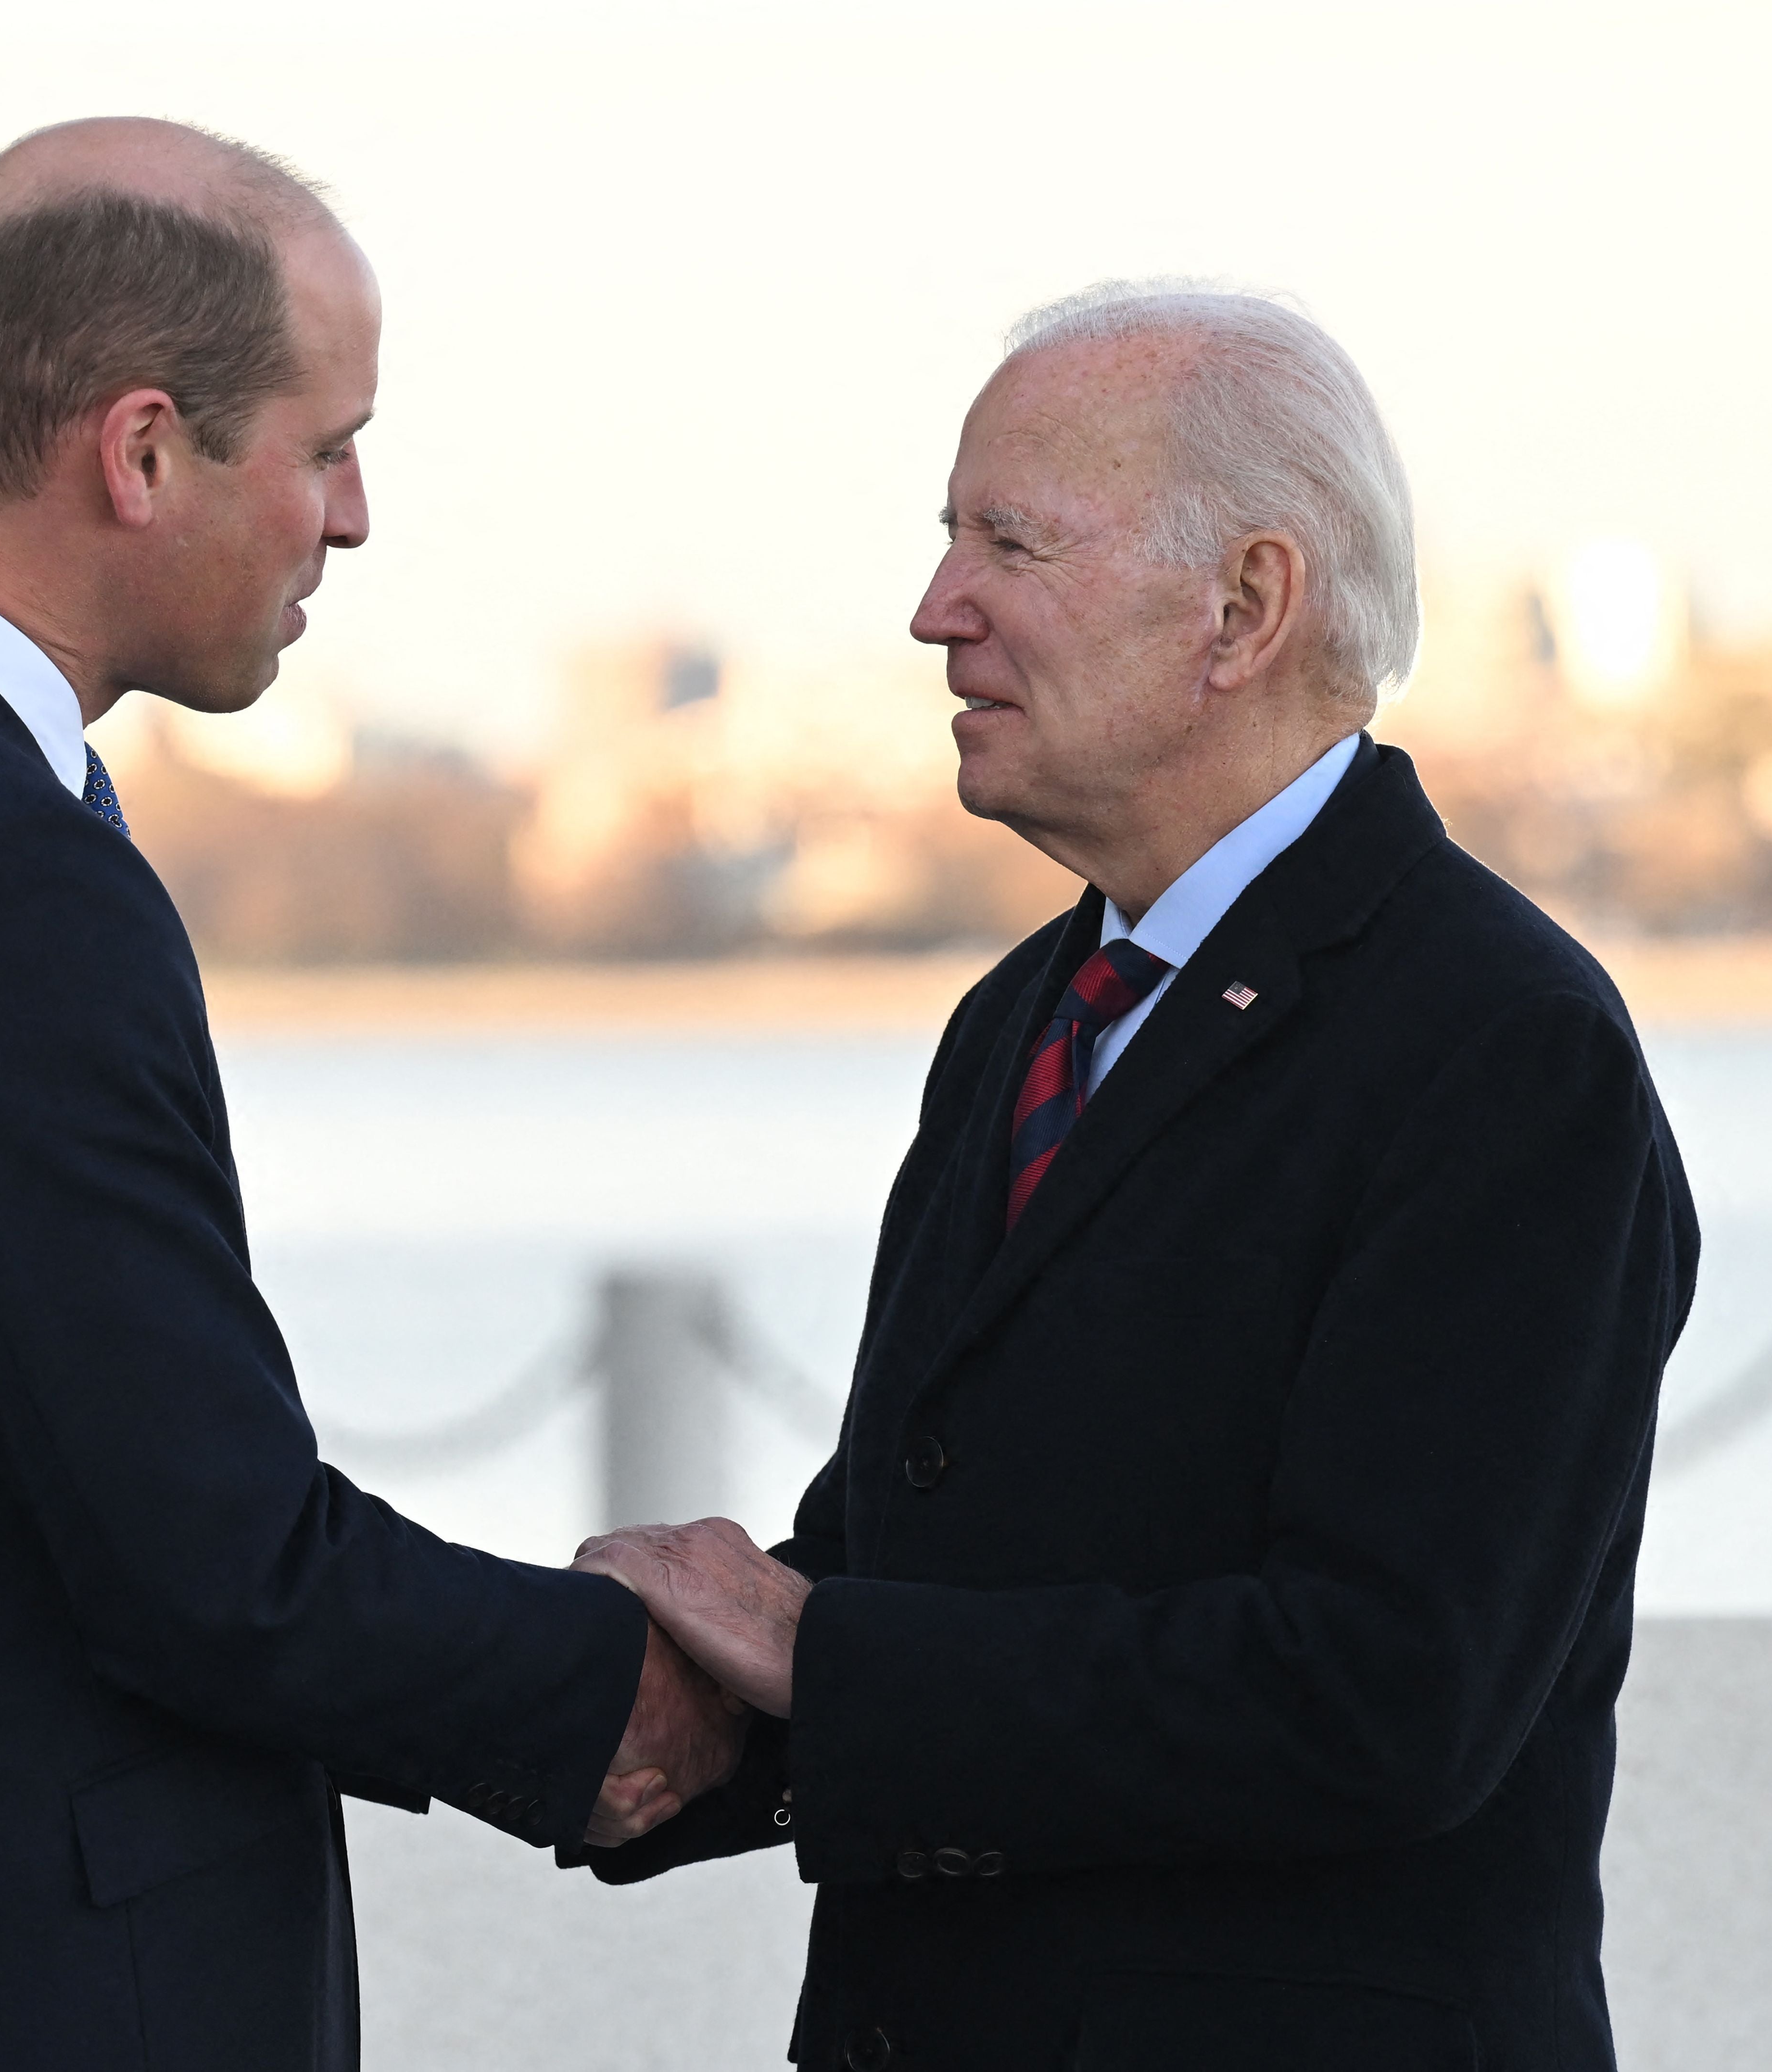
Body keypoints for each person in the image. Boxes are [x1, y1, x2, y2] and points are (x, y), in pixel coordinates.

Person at [0, 118, 739, 2072]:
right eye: (326, 446)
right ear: (144, 450)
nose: (354, 515)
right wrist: (660, 1701)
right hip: (4, 1998)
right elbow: (214, 1567)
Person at [572, 282, 1698, 2072]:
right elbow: (916, 1566)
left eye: (1009, 542)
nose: (938, 611)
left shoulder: (1502, 1049)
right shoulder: (1023, 1016)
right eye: (949, 541)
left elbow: (1388, 1695)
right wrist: (615, 1710)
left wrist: (823, 1667)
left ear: (1245, 606)